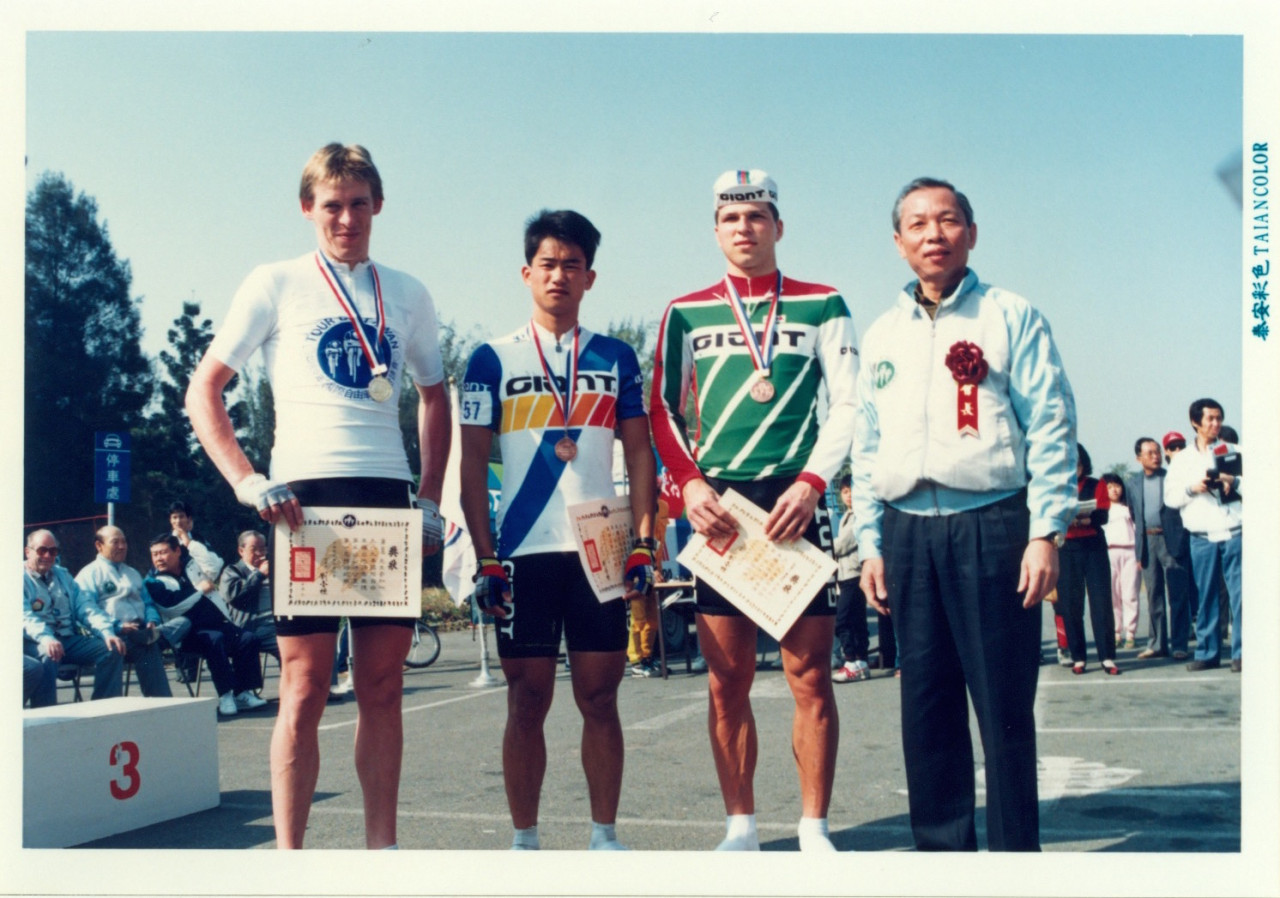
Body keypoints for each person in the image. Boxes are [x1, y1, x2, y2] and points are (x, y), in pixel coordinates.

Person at [186, 143, 450, 850]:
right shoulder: (274, 281)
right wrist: (247, 480)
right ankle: (291, 861)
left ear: (378, 205)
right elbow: (204, 388)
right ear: (308, 208)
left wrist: (429, 497)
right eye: (332, 205)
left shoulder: (409, 292)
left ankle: (381, 853)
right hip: (303, 503)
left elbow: (434, 394)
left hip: (386, 500)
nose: (347, 219)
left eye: (360, 204)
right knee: (303, 687)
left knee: (382, 687)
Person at [852, 177, 1077, 851]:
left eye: (948, 220)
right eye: (918, 224)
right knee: (927, 711)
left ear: (971, 233)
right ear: (898, 242)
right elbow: (867, 447)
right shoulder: (883, 333)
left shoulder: (1010, 315)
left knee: (1003, 709)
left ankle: (1014, 861)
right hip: (907, 534)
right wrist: (870, 543)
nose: (934, 234)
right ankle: (943, 859)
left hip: (993, 526)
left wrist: (1045, 532)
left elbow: (1051, 424)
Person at [651, 170, 857, 852]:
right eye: (732, 218)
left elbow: (849, 403)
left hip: (795, 501)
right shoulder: (685, 312)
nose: (745, 228)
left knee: (810, 675)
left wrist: (814, 483)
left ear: (778, 226)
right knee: (726, 680)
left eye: (757, 215)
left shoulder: (823, 303)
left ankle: (813, 826)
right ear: (716, 230)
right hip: (722, 507)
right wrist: (690, 485)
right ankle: (740, 826)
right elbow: (663, 409)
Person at [459, 209, 655, 851]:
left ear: (590, 277)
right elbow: (471, 463)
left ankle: (605, 837)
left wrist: (645, 542)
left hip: (599, 551)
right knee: (526, 700)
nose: (559, 275)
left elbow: (639, 453)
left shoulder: (616, 356)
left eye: (573, 264)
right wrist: (485, 556)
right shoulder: (490, 358)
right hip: (523, 552)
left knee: (600, 699)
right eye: (548, 263)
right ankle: (525, 843)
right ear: (527, 273)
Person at [144, 534, 268, 715]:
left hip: (218, 623)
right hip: (187, 633)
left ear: (177, 551)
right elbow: (172, 606)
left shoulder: (192, 565)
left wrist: (189, 541)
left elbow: (215, 565)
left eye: (163, 552)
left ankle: (243, 692)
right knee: (214, 640)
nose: (158, 559)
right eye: (154, 554)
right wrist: (199, 590)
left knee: (248, 639)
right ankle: (225, 694)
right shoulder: (153, 581)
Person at [1163, 398, 1241, 672]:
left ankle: (1242, 653)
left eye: (1219, 418)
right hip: (1201, 536)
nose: (1216, 423)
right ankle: (1208, 652)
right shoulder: (1182, 460)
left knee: (1240, 596)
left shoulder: (1233, 451)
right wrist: (1192, 488)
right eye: (1210, 418)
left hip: (1234, 532)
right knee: (1206, 595)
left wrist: (1233, 481)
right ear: (1195, 422)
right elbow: (1171, 498)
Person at [75, 525, 183, 697]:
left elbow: (148, 603)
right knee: (146, 645)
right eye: (115, 542)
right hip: (110, 634)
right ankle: (111, 706)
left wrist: (152, 620)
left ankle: (160, 704)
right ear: (99, 546)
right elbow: (87, 611)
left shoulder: (132, 573)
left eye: (124, 542)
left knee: (175, 627)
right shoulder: (89, 574)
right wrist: (116, 626)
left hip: (140, 631)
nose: (122, 546)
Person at [22, 529, 125, 703]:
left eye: (53, 551)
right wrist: (46, 638)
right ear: (28, 552)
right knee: (49, 654)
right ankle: (47, 715)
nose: (48, 556)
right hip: (34, 641)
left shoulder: (63, 575)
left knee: (111, 649)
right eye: (42, 550)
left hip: (67, 640)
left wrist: (107, 632)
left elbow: (85, 607)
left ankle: (105, 708)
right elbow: (24, 617)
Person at [1128, 435, 1194, 660]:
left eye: (1157, 452)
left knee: (1178, 594)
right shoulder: (1132, 483)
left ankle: (1179, 644)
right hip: (1147, 542)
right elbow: (1134, 514)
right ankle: (1157, 644)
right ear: (1139, 458)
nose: (1156, 456)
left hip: (1171, 540)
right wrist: (1140, 548)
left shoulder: (1171, 477)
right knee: (1153, 595)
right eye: (1150, 453)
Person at [1057, 445, 1120, 676]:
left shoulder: (1096, 484)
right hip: (1067, 548)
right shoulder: (1057, 487)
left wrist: (1085, 520)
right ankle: (1078, 657)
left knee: (1101, 601)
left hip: (1093, 547)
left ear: (1084, 464)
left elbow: (1102, 515)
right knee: (1071, 604)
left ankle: (1107, 656)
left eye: (1078, 464)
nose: (1074, 469)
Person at [832, 474, 870, 683]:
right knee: (856, 619)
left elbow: (842, 545)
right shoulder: (847, 515)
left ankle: (851, 661)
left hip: (854, 573)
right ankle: (860, 662)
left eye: (852, 491)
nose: (849, 496)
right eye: (845, 492)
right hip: (847, 574)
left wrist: (825, 546)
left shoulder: (858, 515)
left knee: (843, 619)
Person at [220, 530, 278, 659]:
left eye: (262, 549)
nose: (260, 554)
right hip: (251, 626)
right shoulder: (232, 571)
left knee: (302, 646)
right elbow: (233, 596)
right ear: (241, 551)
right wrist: (259, 575)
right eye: (254, 549)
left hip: (276, 625)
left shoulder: (273, 569)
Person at [1100, 473, 1140, 649]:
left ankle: (1130, 632)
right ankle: (1116, 633)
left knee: (1130, 594)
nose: (1114, 490)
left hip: (1130, 552)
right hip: (1109, 553)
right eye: (1109, 487)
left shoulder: (1129, 508)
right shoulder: (1101, 510)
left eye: (1116, 486)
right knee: (1113, 595)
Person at [169, 499, 226, 584]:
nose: (178, 521)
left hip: (206, 583)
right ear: (170, 520)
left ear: (188, 519)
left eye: (181, 517)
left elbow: (216, 564)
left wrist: (189, 543)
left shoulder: (199, 538)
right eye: (174, 517)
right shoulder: (167, 542)